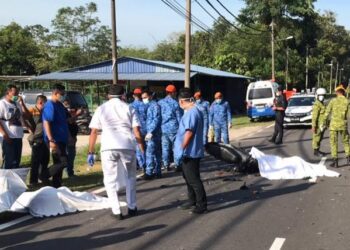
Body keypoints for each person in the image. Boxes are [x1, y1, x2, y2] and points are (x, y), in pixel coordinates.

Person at [88, 85, 144, 220]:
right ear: (123, 95)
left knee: (109, 179)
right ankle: (132, 207)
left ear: (108, 95)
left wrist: (91, 151)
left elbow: (94, 131)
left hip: (108, 146)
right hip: (127, 145)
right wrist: (142, 149)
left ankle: (116, 210)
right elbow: (136, 130)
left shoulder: (101, 109)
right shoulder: (129, 107)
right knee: (131, 177)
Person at [174, 88, 207, 214]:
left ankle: (201, 205)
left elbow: (189, 132)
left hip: (190, 151)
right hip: (189, 150)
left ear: (182, 101)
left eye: (179, 102)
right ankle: (192, 199)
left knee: (193, 179)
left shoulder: (192, 112)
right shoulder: (192, 111)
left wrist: (182, 148)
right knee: (188, 177)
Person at [42, 84, 69, 188]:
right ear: (55, 93)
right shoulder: (50, 105)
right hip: (55, 139)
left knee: (60, 162)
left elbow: (63, 121)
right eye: (62, 94)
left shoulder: (60, 105)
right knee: (63, 161)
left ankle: (57, 184)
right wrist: (51, 140)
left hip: (62, 138)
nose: (63, 96)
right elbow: (46, 122)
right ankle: (44, 175)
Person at [0, 85, 31, 169]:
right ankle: (5, 181)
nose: (17, 95)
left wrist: (22, 103)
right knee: (9, 162)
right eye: (15, 93)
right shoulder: (2, 103)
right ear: (8, 92)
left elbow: (27, 116)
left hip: (18, 136)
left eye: (18, 92)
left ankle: (14, 181)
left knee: (16, 162)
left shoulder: (17, 104)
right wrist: (5, 135)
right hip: (8, 137)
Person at [321, 85, 350, 168]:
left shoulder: (333, 101)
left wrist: (324, 123)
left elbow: (326, 113)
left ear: (337, 92)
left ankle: (335, 162)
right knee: (346, 141)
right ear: (343, 92)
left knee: (334, 143)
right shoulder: (347, 101)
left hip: (333, 126)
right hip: (343, 125)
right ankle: (348, 158)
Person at [158, 84, 182, 171]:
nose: (175, 94)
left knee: (165, 148)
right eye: (175, 92)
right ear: (172, 93)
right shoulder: (175, 103)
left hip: (163, 128)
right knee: (175, 147)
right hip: (174, 128)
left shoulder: (160, 103)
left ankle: (165, 164)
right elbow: (179, 117)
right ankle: (177, 164)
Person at [27, 95, 50, 186]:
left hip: (45, 139)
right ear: (40, 102)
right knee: (36, 161)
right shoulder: (32, 111)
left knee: (45, 159)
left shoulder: (45, 112)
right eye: (46, 103)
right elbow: (26, 121)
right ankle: (33, 181)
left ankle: (42, 178)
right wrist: (31, 132)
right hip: (36, 139)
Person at [142, 89, 162, 179]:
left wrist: (150, 132)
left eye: (145, 97)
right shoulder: (150, 106)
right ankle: (158, 172)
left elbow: (156, 120)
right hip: (154, 133)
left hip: (153, 134)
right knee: (157, 153)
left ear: (150, 96)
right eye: (143, 98)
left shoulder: (154, 106)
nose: (144, 99)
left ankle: (149, 172)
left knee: (150, 153)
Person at [130, 88, 148, 170]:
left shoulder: (130, 106)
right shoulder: (146, 105)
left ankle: (142, 164)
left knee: (138, 148)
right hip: (146, 128)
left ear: (133, 95)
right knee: (147, 147)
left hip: (135, 129)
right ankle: (147, 163)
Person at [63, 99, 81, 178]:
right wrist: (77, 114)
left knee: (72, 154)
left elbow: (72, 122)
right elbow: (68, 122)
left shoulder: (68, 113)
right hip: (68, 136)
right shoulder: (64, 112)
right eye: (67, 105)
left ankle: (70, 171)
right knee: (70, 154)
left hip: (72, 136)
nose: (69, 108)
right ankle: (69, 172)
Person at [312, 88, 327, 157]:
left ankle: (317, 149)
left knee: (320, 138)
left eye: (323, 95)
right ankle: (316, 151)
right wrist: (314, 126)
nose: (322, 97)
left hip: (322, 125)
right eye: (321, 95)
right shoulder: (317, 104)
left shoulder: (322, 104)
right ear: (317, 95)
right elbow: (314, 116)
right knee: (316, 138)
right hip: (318, 125)